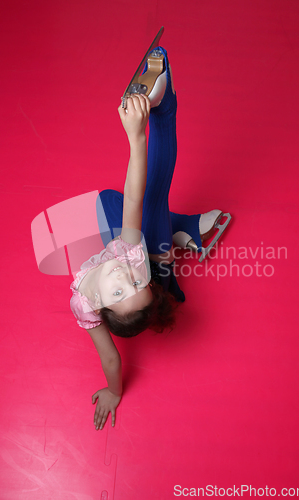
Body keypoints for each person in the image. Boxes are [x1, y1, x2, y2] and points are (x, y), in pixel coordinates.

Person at [70, 46, 228, 431]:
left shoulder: (83, 304)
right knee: (152, 195)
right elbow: (136, 194)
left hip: (151, 254)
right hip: (154, 252)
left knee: (108, 199)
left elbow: (110, 359)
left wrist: (112, 389)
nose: (127, 277)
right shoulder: (130, 257)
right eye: (135, 284)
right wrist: (136, 136)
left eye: (122, 289)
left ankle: (181, 229)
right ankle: (164, 106)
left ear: (100, 309)